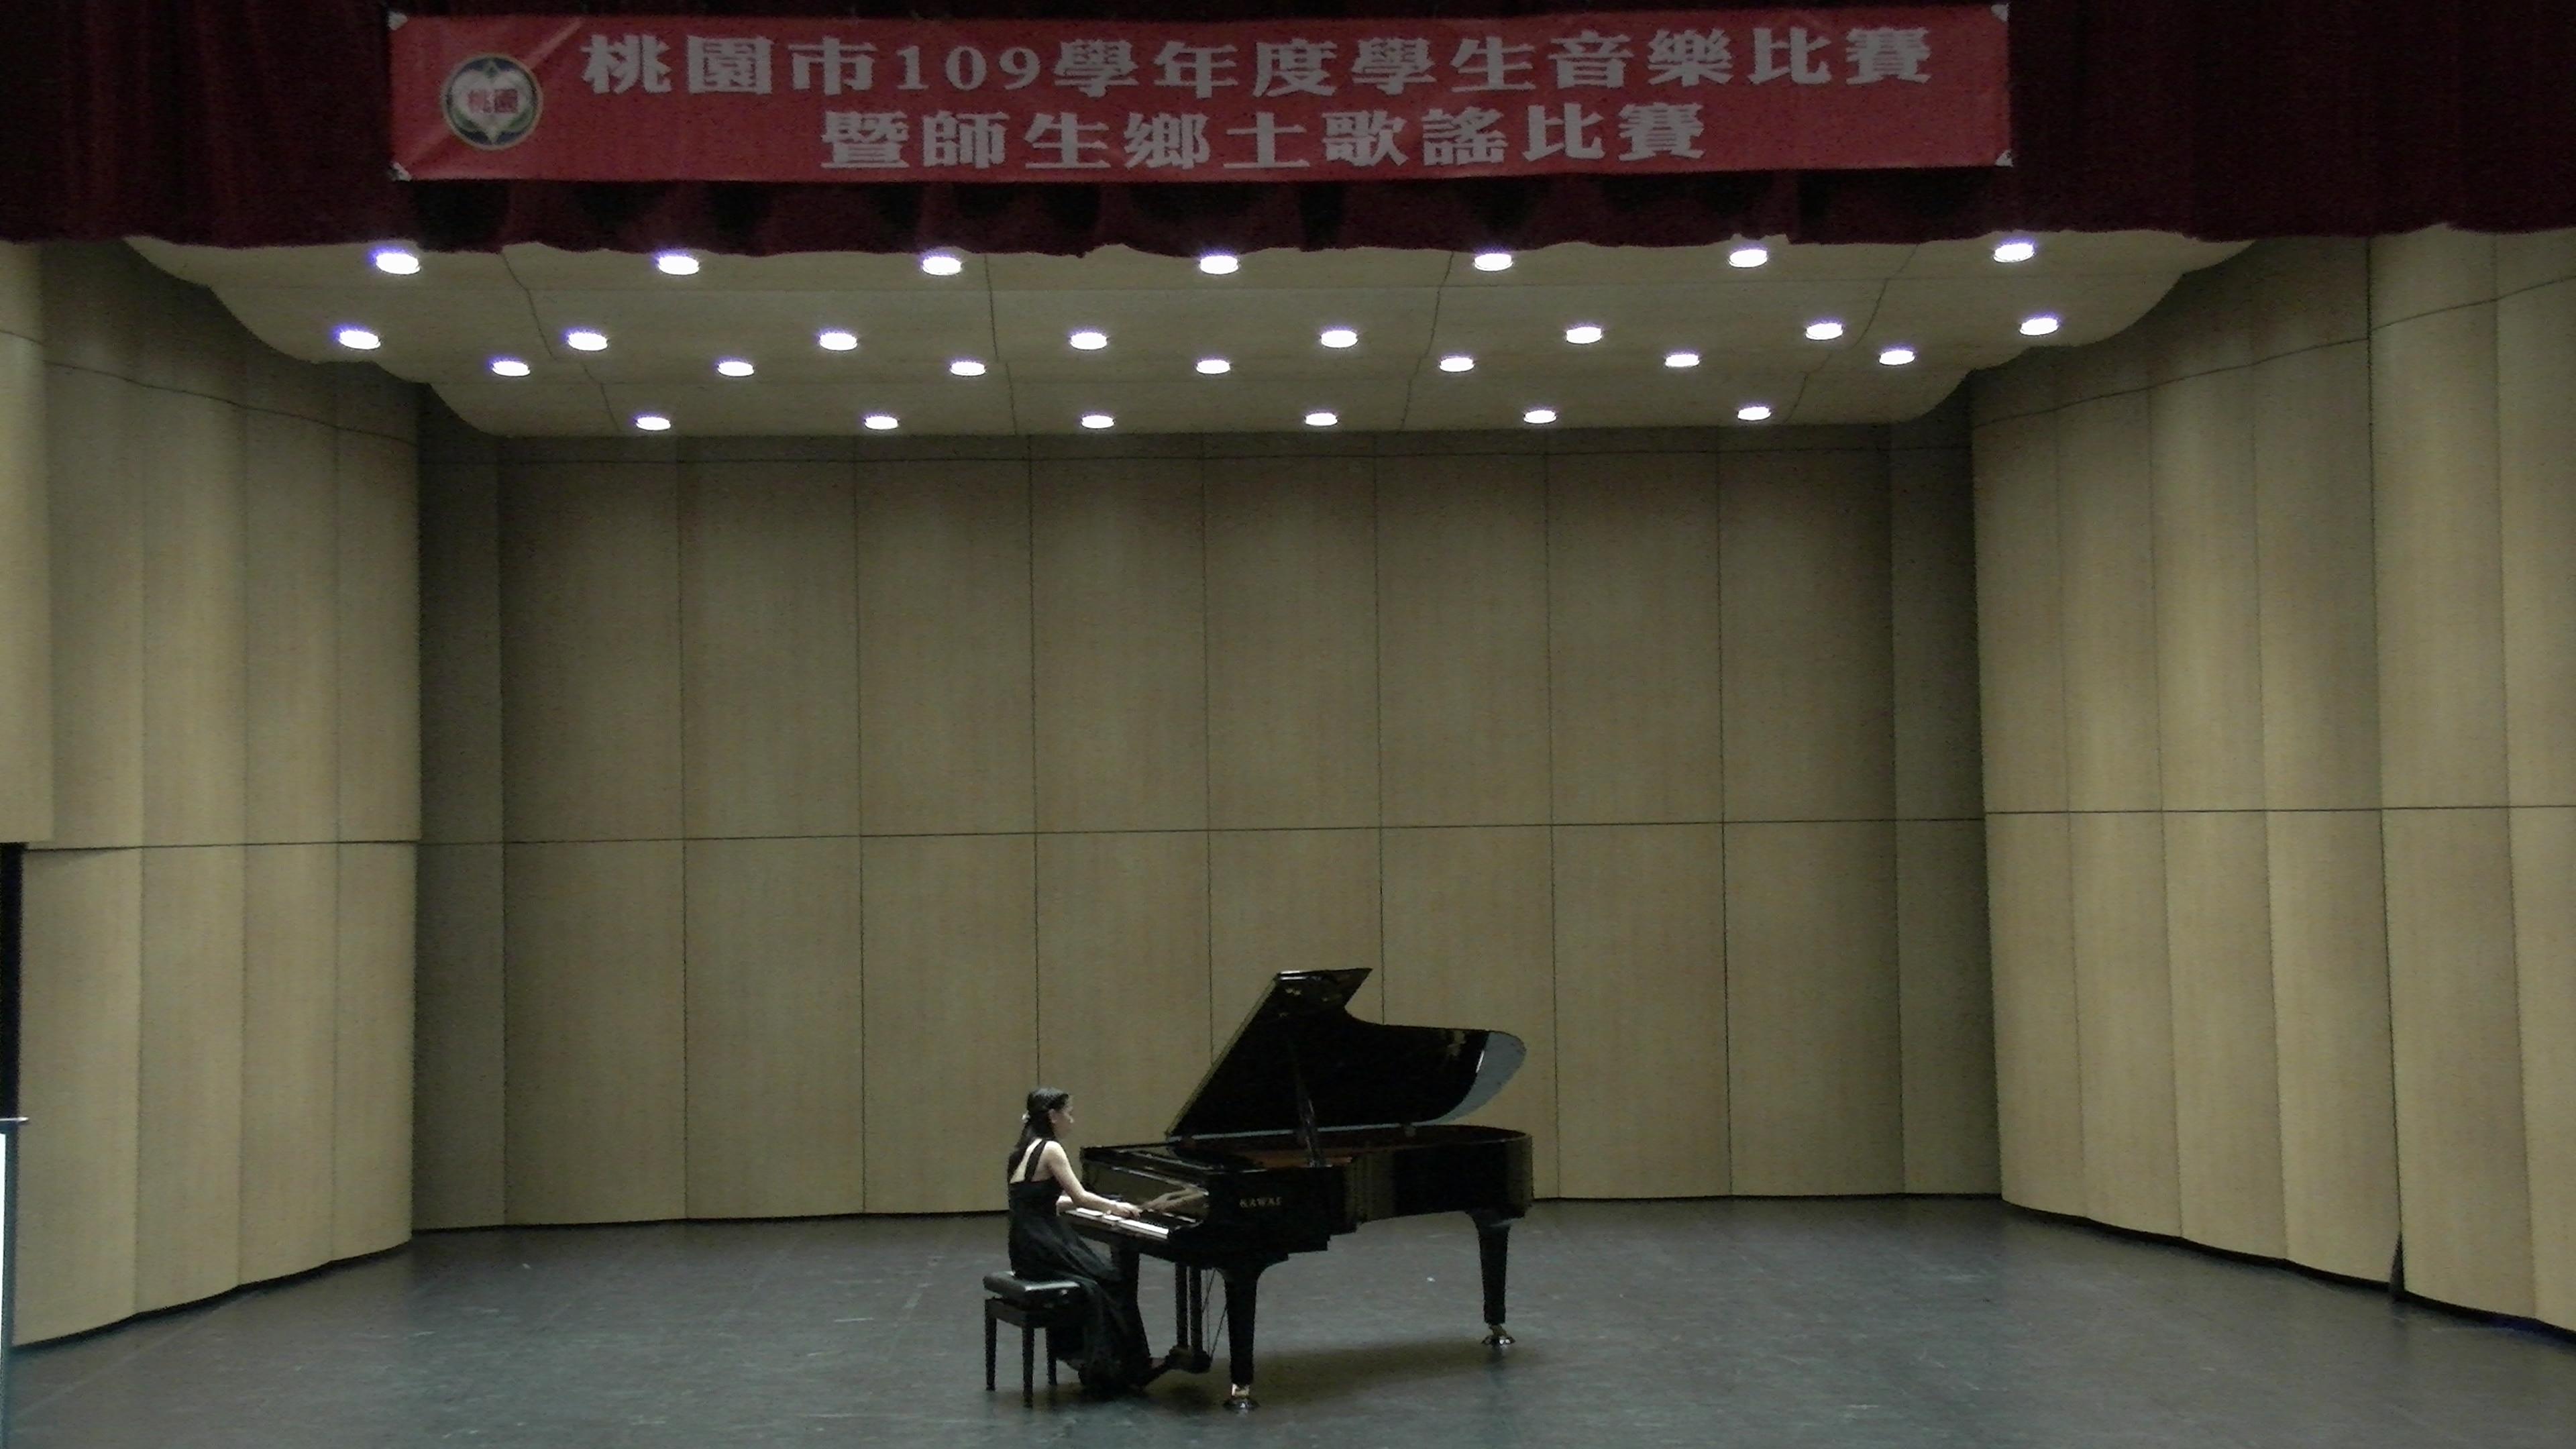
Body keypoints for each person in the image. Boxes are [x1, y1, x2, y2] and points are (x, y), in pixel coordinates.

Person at [1006, 1087, 1178, 1395]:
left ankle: (1097, 1358)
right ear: (1053, 1116)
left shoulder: (1023, 1148)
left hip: (1025, 1244)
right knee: (1112, 1280)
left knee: (1096, 1282)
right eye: (1069, 1113)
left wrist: (1097, 1204)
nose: (1072, 1120)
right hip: (1044, 1240)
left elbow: (1040, 1199)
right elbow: (1080, 1196)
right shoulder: (1051, 1149)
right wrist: (1114, 1207)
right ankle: (1129, 1365)